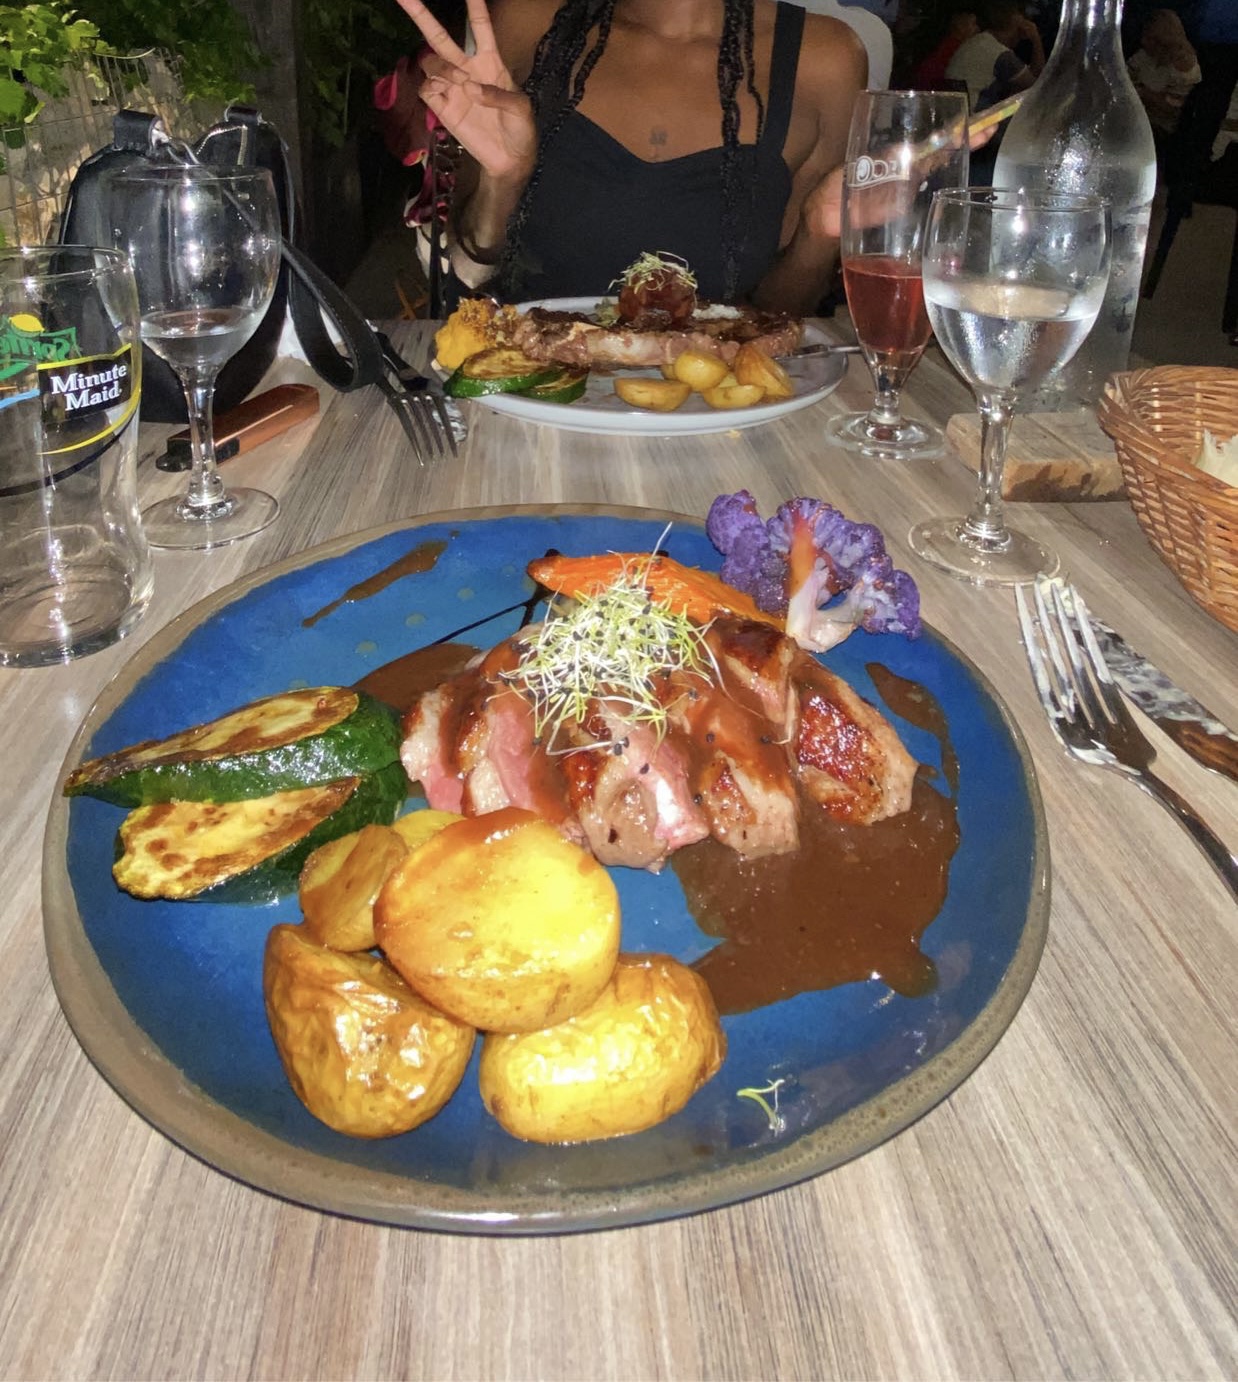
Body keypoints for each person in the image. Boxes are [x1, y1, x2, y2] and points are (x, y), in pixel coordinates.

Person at [393, 0, 869, 313]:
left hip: (712, 415)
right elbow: (468, 267)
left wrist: (819, 234)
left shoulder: (824, 60)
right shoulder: (529, 21)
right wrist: (504, 179)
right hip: (528, 394)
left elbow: (780, 315)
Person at [945, 0, 1040, 110]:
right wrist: (1036, 39)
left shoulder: (977, 42)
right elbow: (1037, 86)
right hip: (976, 115)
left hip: (956, 112)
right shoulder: (1000, 54)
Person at [1128, 8, 1202, 148]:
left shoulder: (1184, 67)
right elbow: (1126, 77)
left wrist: (1143, 93)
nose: (1143, 41)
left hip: (1159, 127)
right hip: (1136, 114)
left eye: (1150, 38)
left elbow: (1173, 108)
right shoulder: (1144, 56)